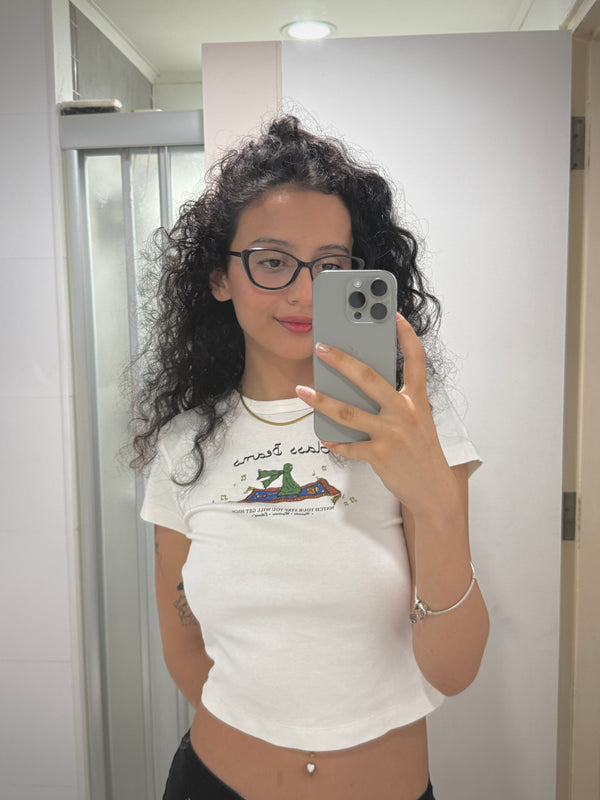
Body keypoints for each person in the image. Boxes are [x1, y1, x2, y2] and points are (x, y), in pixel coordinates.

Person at [135, 115, 489, 800]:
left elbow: (453, 669)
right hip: (215, 781)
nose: (303, 292)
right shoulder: (185, 443)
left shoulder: (411, 423)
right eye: (272, 262)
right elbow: (184, 645)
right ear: (220, 277)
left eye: (330, 266)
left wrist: (433, 498)